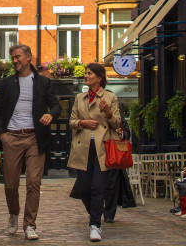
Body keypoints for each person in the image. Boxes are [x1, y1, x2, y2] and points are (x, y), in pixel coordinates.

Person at [0, 44, 61, 241]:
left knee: (33, 182)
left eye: (18, 57)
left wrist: (50, 114)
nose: (15, 60)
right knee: (11, 185)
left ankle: (30, 224)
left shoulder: (43, 83)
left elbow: (56, 105)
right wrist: (2, 135)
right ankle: (14, 213)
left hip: (34, 138)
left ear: (29, 57)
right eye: (12, 57)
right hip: (11, 137)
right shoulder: (7, 83)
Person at [67, 63, 121, 242]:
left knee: (98, 187)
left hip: (102, 148)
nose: (86, 76)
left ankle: (95, 225)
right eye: (86, 73)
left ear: (99, 77)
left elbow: (118, 124)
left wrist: (107, 112)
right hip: (83, 148)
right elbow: (72, 121)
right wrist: (83, 123)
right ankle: (95, 213)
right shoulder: (79, 98)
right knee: (83, 189)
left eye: (90, 73)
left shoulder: (110, 97)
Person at [103, 114, 136, 223]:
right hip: (99, 154)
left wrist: (121, 134)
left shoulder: (117, 116)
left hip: (114, 155)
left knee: (112, 185)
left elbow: (126, 133)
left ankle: (109, 214)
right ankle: (94, 210)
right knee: (95, 185)